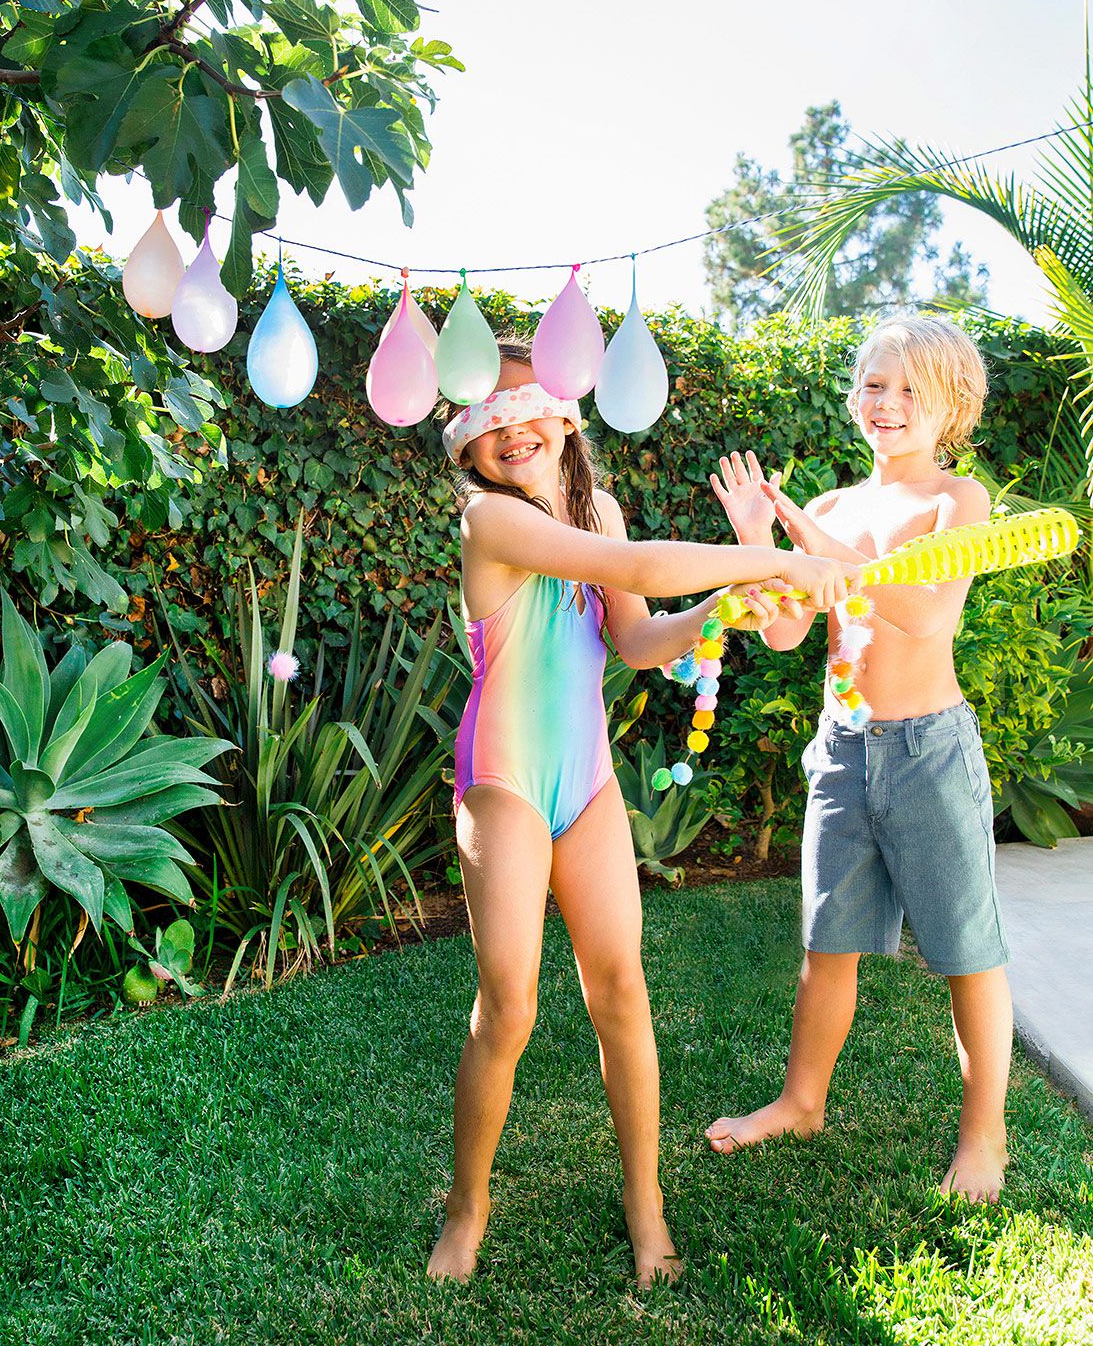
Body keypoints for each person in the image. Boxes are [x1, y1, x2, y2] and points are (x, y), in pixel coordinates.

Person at [427, 339, 852, 1286]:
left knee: (621, 989)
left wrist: (717, 612)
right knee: (509, 1007)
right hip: (501, 785)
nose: (509, 430)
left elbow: (639, 638)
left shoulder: (599, 508)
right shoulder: (490, 522)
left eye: (525, 407)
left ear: (566, 416)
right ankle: (467, 1205)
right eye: (484, 422)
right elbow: (640, 564)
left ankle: (644, 1202)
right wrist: (762, 554)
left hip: (585, 783)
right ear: (463, 449)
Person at [704, 314, 1011, 1203]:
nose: (889, 404)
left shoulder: (956, 502)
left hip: (928, 750)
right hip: (841, 750)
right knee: (824, 944)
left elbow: (922, 615)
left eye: (913, 390)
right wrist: (760, 544)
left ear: (952, 406)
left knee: (965, 949)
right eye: (877, 385)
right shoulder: (831, 507)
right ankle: (801, 1102)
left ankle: (984, 1131)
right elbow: (793, 626)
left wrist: (820, 547)